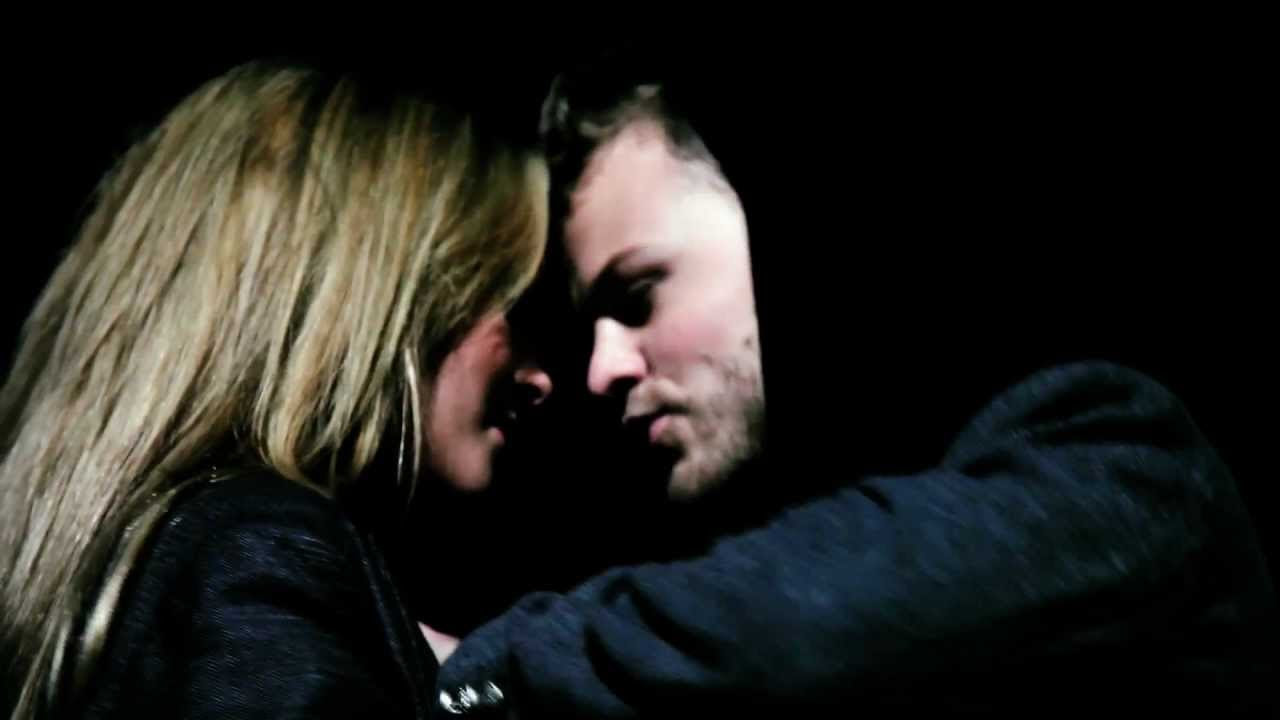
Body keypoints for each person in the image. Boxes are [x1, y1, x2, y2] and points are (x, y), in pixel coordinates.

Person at [431, 49, 1278, 716]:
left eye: (639, 295)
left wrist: (474, 672)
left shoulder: (1124, 464)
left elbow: (798, 626)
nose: (601, 368)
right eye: (593, 325)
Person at [0, 61, 552, 718]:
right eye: (515, 308)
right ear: (389, 297)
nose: (539, 378)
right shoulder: (264, 549)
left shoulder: (157, 562)